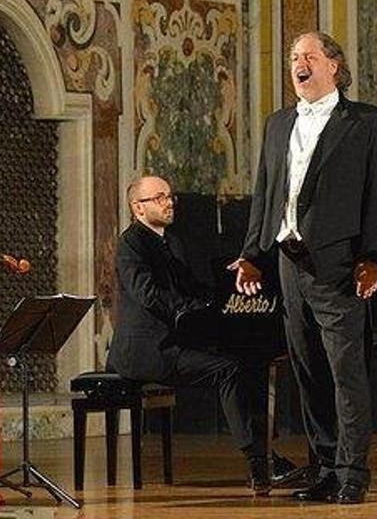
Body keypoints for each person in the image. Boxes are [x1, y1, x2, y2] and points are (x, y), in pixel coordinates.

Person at [232, 31, 377, 505]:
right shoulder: (278, 123)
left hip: (340, 264)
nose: (299, 64)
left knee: (347, 372)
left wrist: (374, 258)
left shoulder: (366, 122)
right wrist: (251, 254)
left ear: (334, 66)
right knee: (308, 372)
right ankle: (324, 466)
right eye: (293, 58)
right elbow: (265, 194)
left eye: (309, 57)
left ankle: (352, 472)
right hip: (288, 262)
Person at [106, 175, 297, 496]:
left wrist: (221, 300)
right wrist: (188, 307)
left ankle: (264, 458)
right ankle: (258, 462)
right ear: (137, 207)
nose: (168, 202)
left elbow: (191, 289)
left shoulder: (172, 242)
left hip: (172, 343)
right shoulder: (131, 244)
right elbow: (147, 293)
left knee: (242, 364)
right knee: (228, 369)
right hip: (145, 351)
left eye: (170, 196)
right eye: (159, 198)